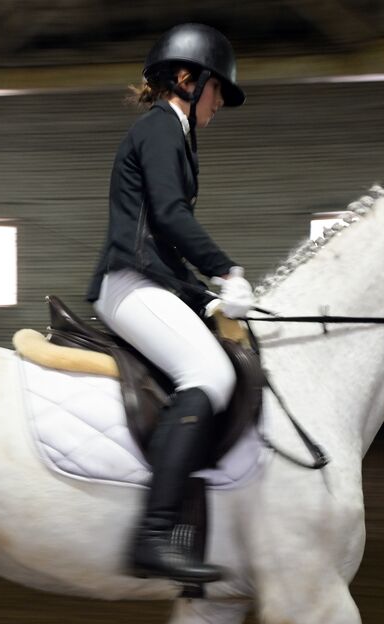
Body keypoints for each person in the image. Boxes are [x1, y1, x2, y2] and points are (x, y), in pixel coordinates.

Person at [86, 23, 256, 585]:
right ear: (187, 79)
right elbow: (170, 220)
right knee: (208, 373)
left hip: (150, 280)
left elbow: (165, 242)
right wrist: (225, 271)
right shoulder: (160, 128)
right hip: (129, 285)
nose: (220, 104)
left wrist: (204, 297)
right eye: (217, 91)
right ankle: (155, 534)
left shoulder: (177, 134)